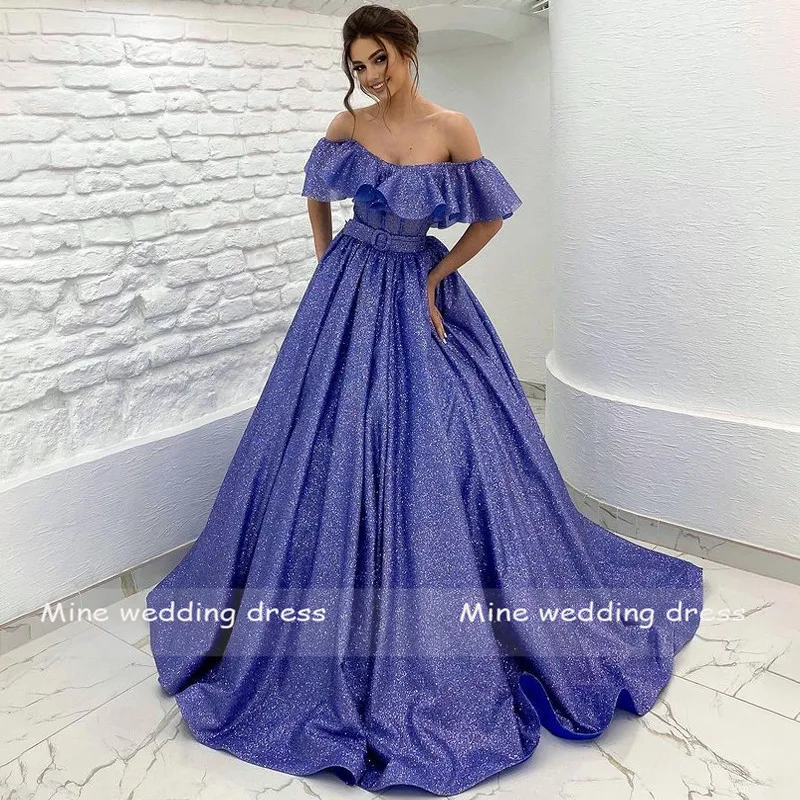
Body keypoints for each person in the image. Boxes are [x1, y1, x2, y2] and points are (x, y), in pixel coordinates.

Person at [146, 4, 703, 795]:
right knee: (319, 438)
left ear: (408, 50)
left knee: (449, 441)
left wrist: (439, 277)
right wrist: (325, 259)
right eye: (357, 65)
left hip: (415, 285)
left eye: (379, 59)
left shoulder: (451, 128)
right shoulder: (348, 128)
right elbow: (317, 192)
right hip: (348, 286)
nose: (370, 76)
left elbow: (492, 214)